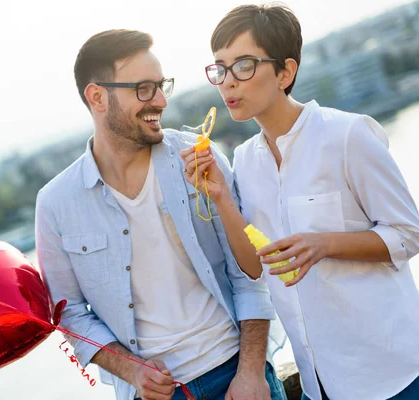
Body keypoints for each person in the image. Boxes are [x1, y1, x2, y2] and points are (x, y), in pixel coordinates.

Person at [180, 4, 419, 400]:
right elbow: (254, 266)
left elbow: (409, 235)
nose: (227, 82)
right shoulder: (246, 159)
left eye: (243, 65)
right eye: (220, 68)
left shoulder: (347, 135)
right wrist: (219, 197)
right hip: (324, 385)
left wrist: (322, 244)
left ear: (285, 72)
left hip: (401, 373)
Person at [35, 29, 287, 400]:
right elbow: (69, 312)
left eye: (161, 85)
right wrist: (130, 370)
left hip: (238, 374)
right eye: (143, 89)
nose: (161, 101)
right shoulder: (55, 203)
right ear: (97, 97)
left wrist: (251, 372)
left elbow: (249, 273)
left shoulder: (200, 157)